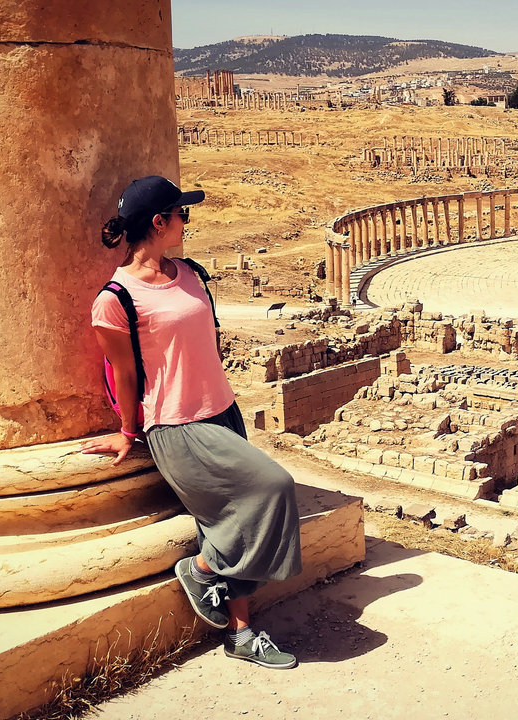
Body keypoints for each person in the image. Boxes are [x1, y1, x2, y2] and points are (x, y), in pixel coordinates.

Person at [83, 176, 302, 670]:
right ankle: (201, 569)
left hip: (222, 409)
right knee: (273, 487)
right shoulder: (115, 300)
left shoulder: (189, 272)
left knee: (223, 519)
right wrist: (126, 431)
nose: (188, 221)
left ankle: (241, 632)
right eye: (182, 213)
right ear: (159, 222)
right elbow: (126, 373)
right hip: (177, 425)